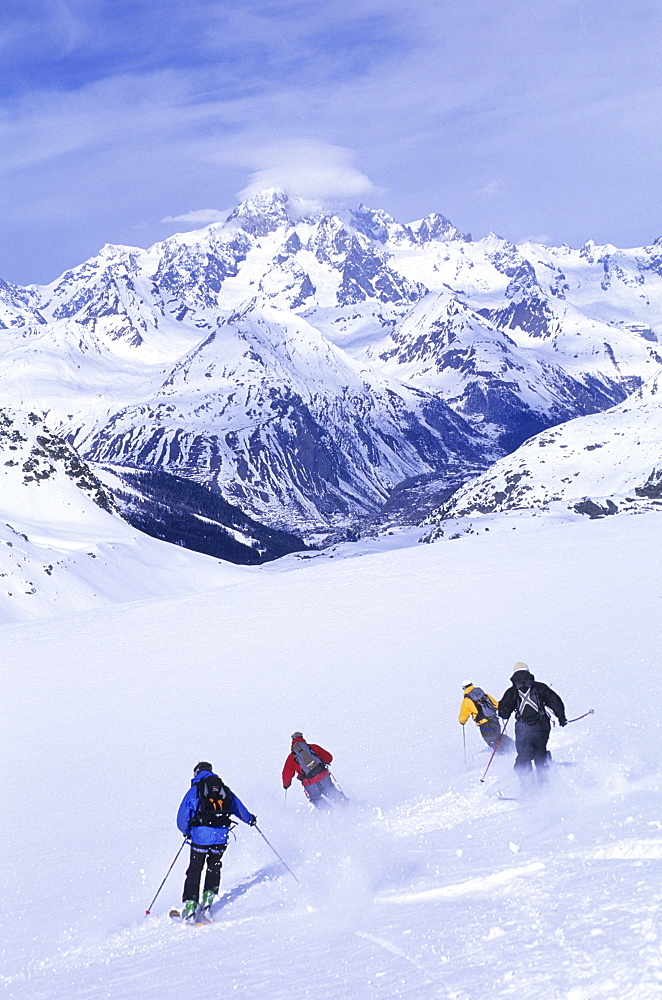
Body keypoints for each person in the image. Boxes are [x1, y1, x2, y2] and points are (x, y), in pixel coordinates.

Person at [176, 761, 256, 920]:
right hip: (221, 836)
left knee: (195, 868)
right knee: (214, 866)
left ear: (196, 773)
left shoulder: (195, 790)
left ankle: (191, 905)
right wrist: (250, 820)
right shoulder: (223, 789)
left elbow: (183, 815)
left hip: (201, 836)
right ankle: (208, 900)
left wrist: (186, 832)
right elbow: (238, 807)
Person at [497, 663, 567, 789]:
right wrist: (561, 717)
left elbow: (503, 713)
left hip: (523, 730)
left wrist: (506, 711)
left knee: (524, 756)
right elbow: (555, 701)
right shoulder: (539, 687)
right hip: (542, 728)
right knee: (540, 753)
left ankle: (527, 787)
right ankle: (544, 784)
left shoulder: (512, 691)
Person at [282, 732, 346, 809]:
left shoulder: (292, 757)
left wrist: (286, 785)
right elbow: (329, 758)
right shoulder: (313, 747)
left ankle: (330, 813)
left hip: (308, 783)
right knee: (331, 792)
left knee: (316, 799)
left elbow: (286, 774)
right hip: (323, 776)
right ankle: (347, 807)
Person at [458, 681, 515, 753]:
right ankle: (514, 746)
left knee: (490, 740)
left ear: (464, 688)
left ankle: (504, 753)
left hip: (484, 723)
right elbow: (496, 705)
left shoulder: (467, 700)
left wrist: (462, 722)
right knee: (498, 736)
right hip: (494, 718)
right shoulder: (484, 694)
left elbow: (463, 718)